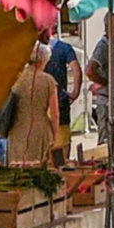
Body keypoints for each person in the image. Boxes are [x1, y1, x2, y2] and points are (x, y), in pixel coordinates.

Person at [7, 43, 60, 165]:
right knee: (38, 166)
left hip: (16, 129)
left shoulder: (15, 78)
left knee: (17, 167)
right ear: (44, 59)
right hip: (40, 130)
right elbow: (55, 113)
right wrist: (55, 135)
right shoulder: (48, 81)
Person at [42, 29, 80, 162]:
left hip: (42, 102)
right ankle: (63, 167)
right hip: (60, 100)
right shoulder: (64, 48)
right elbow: (76, 69)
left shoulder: (35, 49)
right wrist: (75, 92)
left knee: (45, 143)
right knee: (63, 140)